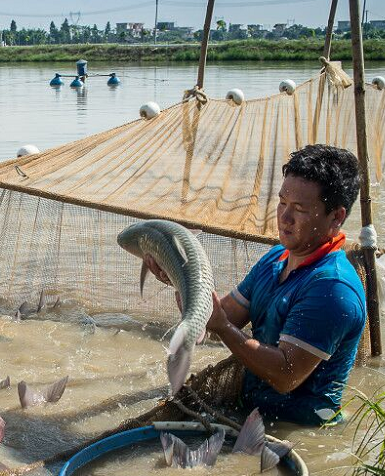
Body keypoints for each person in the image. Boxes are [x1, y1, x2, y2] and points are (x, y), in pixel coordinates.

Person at [146, 144, 366, 426]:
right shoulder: (277, 258)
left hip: (301, 430)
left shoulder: (332, 288)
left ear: (336, 216)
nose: (284, 218)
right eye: (282, 202)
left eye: (299, 209)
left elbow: (286, 376)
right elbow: (218, 318)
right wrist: (177, 276)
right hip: (252, 413)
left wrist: (223, 327)